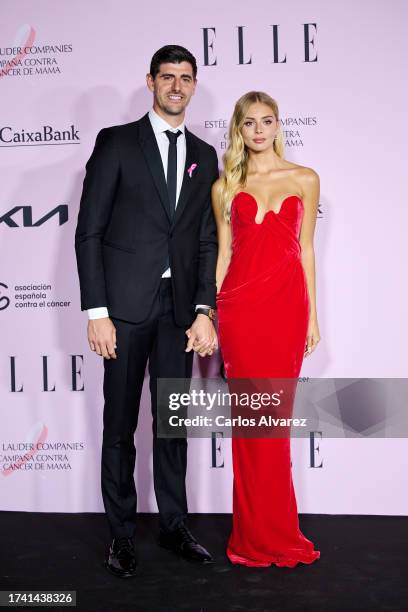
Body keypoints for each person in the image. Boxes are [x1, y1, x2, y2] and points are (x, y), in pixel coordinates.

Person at [75, 45, 219, 578]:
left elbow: (206, 240)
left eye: (185, 78)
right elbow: (88, 230)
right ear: (150, 82)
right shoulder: (115, 143)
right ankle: (120, 535)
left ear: (194, 85)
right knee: (118, 424)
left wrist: (204, 309)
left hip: (179, 311)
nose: (176, 86)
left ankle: (175, 525)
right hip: (126, 309)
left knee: (173, 423)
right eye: (167, 77)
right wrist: (97, 311)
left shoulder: (205, 153)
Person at [213, 91, 321, 567]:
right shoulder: (224, 187)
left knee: (273, 426)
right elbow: (224, 254)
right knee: (250, 426)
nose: (258, 131)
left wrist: (313, 315)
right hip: (240, 312)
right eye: (249, 123)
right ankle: (251, 538)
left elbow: (306, 250)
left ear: (279, 125)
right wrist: (213, 316)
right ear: (238, 129)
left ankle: (277, 532)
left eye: (267, 121)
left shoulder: (305, 178)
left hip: (285, 312)